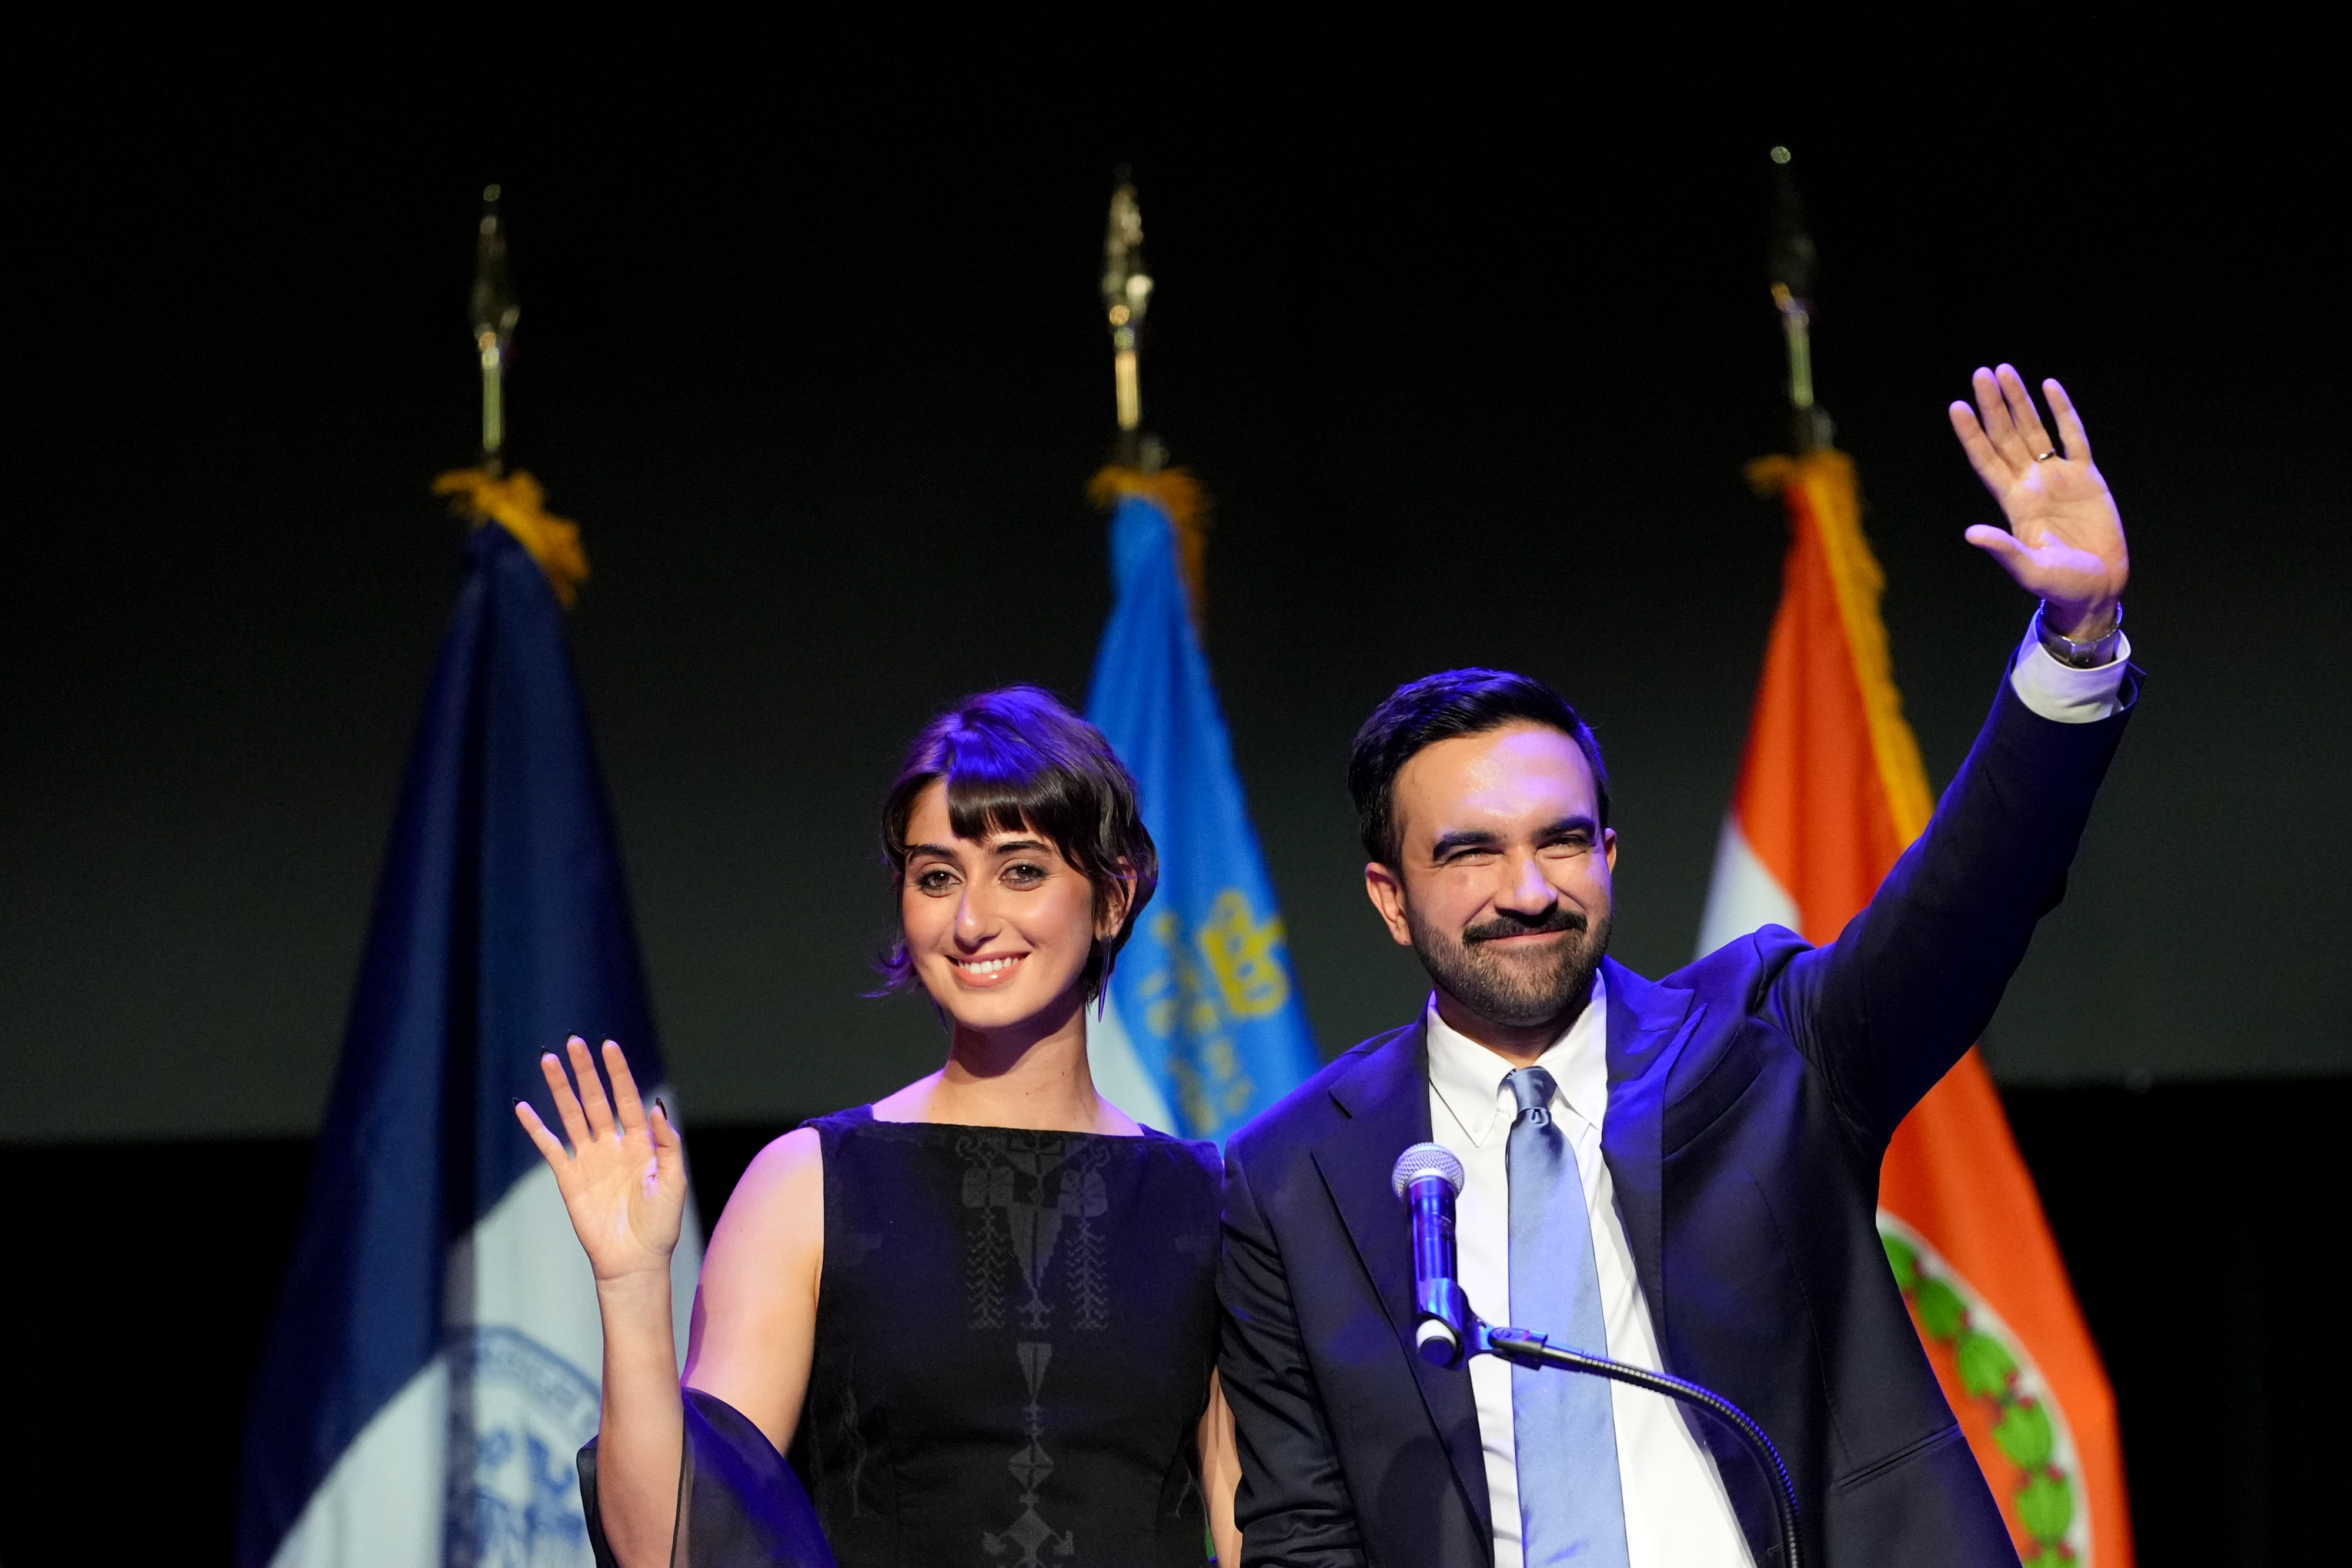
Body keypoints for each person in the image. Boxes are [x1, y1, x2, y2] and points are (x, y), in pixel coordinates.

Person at [1215, 366, 2136, 1568]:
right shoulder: (1292, 1176)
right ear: (1390, 896)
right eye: (1469, 853)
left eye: (1558, 839)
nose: (1527, 887)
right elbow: (1301, 1534)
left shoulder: (1766, 1044)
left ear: (1608, 852)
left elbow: (1969, 895)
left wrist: (2076, 643)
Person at [517, 687, 1242, 1567]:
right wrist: (632, 1286)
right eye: (938, 877)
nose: (973, 921)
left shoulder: (1209, 1200)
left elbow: (1250, 1529)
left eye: (1021, 870)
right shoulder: (809, 1183)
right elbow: (667, 1548)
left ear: (1114, 898)